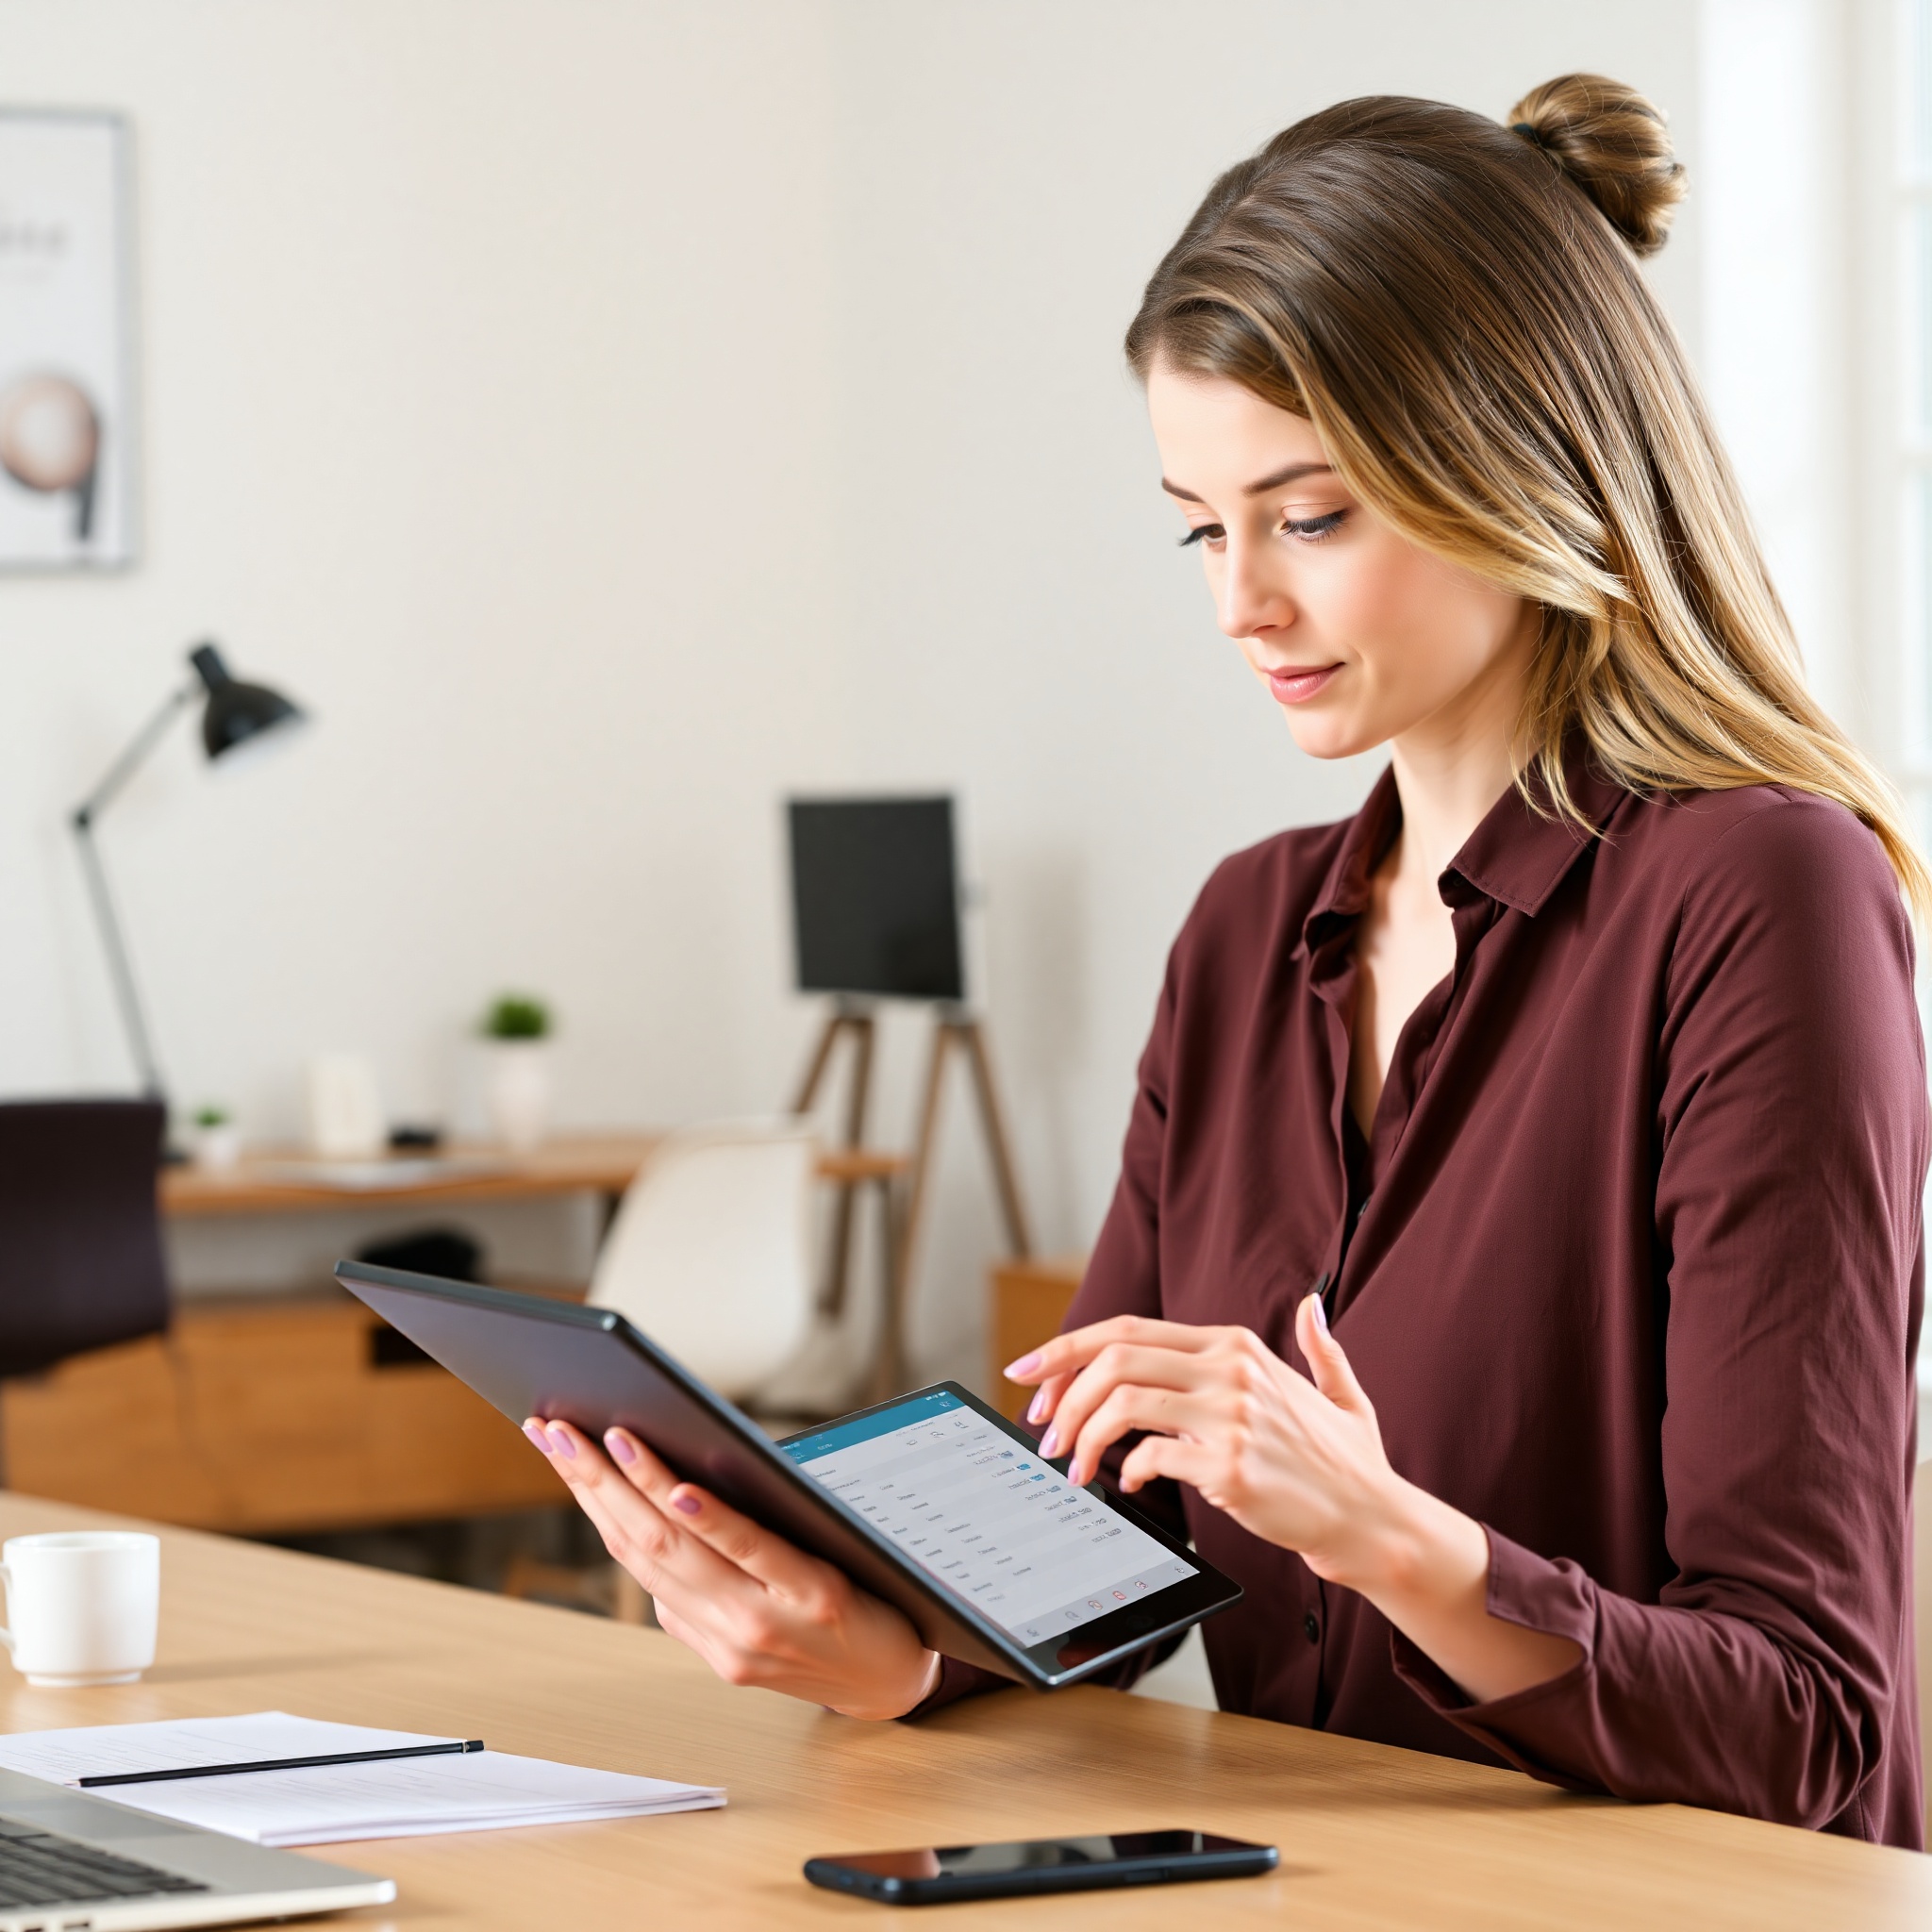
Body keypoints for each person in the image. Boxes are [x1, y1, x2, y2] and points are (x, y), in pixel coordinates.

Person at [527, 75, 1930, 1847]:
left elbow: (1807, 1722)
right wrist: (868, 1643)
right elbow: (1105, 1551)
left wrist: (1385, 1535)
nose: (1237, 603)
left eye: (1312, 516)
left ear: (1523, 467)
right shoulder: (1248, 934)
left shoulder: (1760, 895)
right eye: (1203, 523)